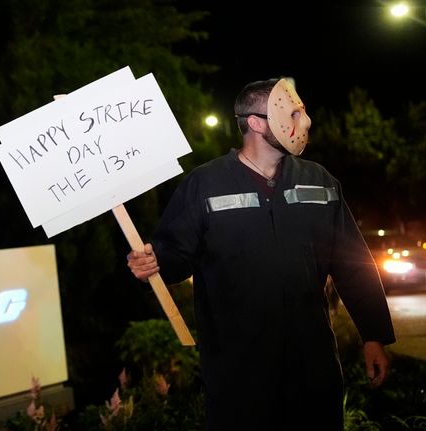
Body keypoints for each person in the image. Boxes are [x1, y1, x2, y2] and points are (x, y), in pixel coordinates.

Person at [126, 78, 395, 430]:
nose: (305, 121)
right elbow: (175, 254)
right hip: (238, 368)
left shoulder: (320, 181)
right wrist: (152, 263)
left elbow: (353, 264)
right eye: (292, 113)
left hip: (312, 362)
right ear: (255, 122)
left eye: (303, 111)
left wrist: (373, 334)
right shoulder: (204, 184)